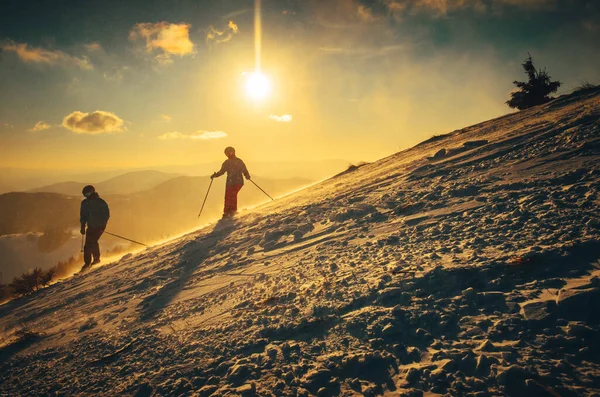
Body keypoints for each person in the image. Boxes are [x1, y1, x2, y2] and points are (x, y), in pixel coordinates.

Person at [211, 146, 251, 218]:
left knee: (231, 195)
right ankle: (229, 211)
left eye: (228, 153)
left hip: (236, 182)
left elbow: (244, 169)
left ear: (233, 152)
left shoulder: (235, 161)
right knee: (229, 196)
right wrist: (215, 175)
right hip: (233, 182)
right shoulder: (230, 162)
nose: (228, 155)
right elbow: (222, 171)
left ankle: (230, 211)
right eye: (226, 153)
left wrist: (247, 175)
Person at [80, 185, 110, 271]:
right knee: (87, 246)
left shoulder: (100, 202)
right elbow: (83, 215)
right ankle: (87, 263)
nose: (86, 196)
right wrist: (82, 225)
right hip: (91, 226)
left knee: (93, 241)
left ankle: (96, 259)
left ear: (92, 192)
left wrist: (101, 224)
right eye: (85, 194)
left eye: (87, 193)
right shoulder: (84, 203)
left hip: (99, 226)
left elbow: (106, 215)